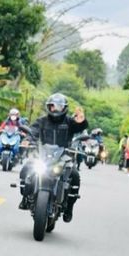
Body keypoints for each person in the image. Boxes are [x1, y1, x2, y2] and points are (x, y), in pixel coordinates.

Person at [18, 93, 88, 222]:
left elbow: (80, 127)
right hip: (43, 155)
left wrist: (82, 121)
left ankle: (69, 208)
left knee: (75, 175)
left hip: (63, 157)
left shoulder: (69, 122)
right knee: (26, 168)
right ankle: (25, 198)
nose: (55, 109)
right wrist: (27, 140)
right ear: (48, 107)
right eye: (52, 106)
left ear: (64, 108)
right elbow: (33, 132)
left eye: (59, 106)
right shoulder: (42, 121)